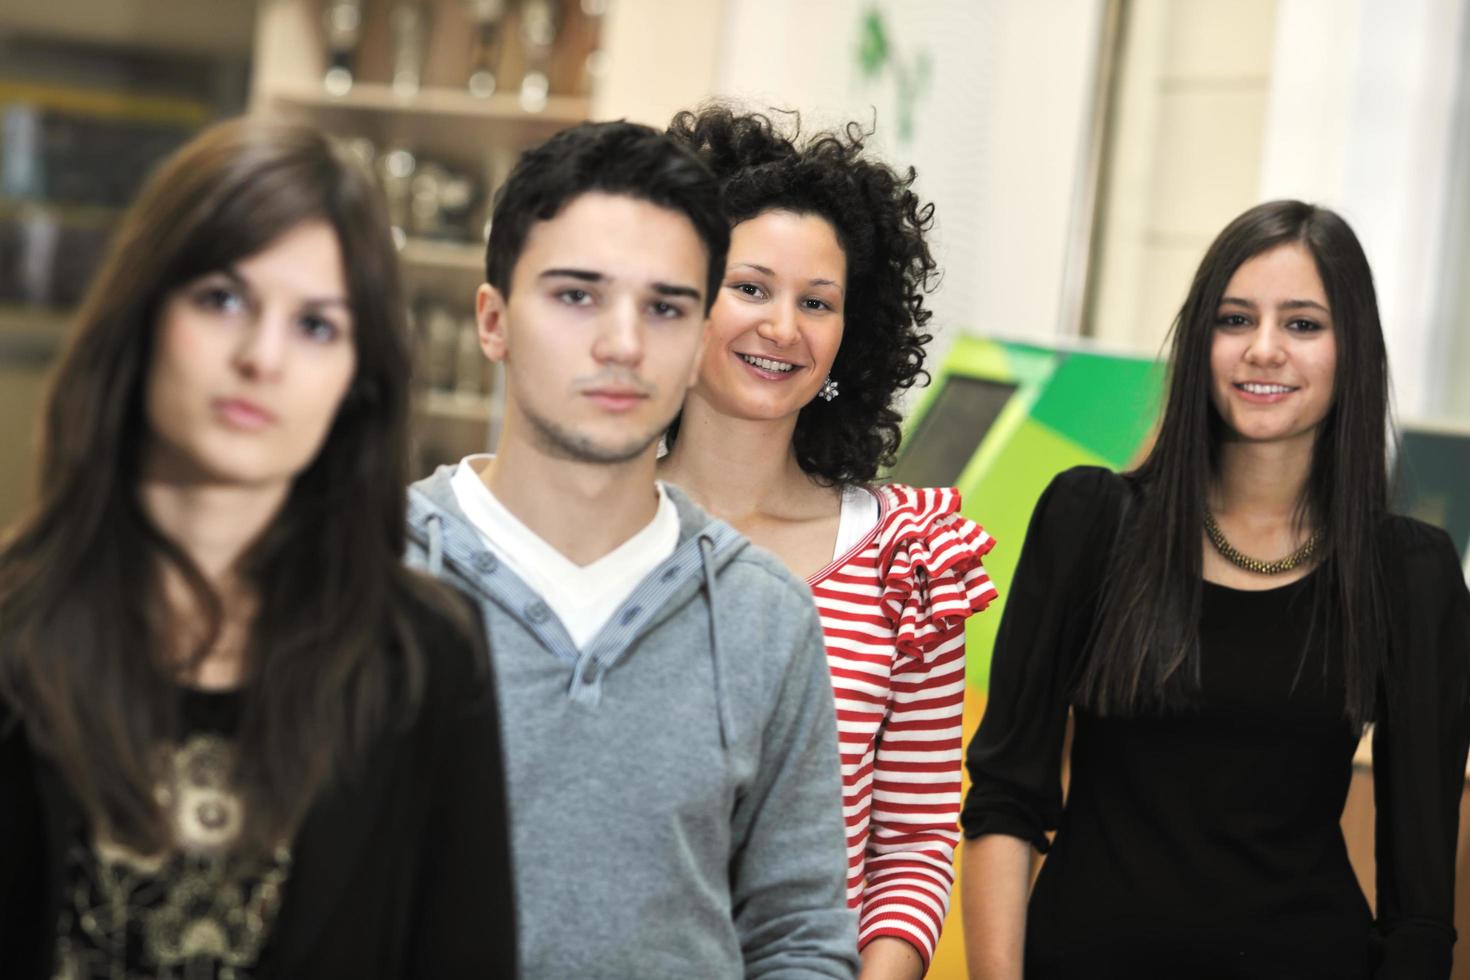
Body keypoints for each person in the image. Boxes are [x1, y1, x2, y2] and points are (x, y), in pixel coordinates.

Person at [0, 119, 514, 979]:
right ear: (145, 316)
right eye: (222, 299)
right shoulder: (14, 631)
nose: (261, 358)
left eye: (316, 326)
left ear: (359, 378)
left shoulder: (425, 660)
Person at [960, 200, 1470, 979]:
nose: (1263, 350)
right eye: (1235, 320)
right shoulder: (1091, 522)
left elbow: (1419, 909)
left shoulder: (1410, 575)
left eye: (1302, 324)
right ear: (1201, 341)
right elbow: (1005, 800)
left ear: (1354, 351)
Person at [405, 119, 859, 978]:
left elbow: (800, 936)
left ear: (696, 344)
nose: (623, 343)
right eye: (576, 296)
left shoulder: (763, 615)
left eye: (664, 307)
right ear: (493, 321)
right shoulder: (365, 574)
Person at [660, 105, 999, 979]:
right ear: (681, 299)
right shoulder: (598, 522)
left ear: (853, 335)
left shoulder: (908, 555)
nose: (783, 328)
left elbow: (915, 842)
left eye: (817, 302)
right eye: (750, 287)